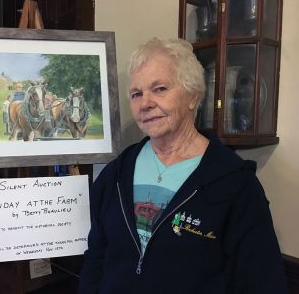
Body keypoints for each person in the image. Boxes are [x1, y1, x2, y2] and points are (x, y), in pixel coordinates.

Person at [79, 38, 287, 293]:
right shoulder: (117, 174)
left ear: (193, 96)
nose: (145, 103)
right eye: (136, 93)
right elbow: (95, 261)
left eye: (160, 88)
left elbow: (261, 282)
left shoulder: (236, 183)